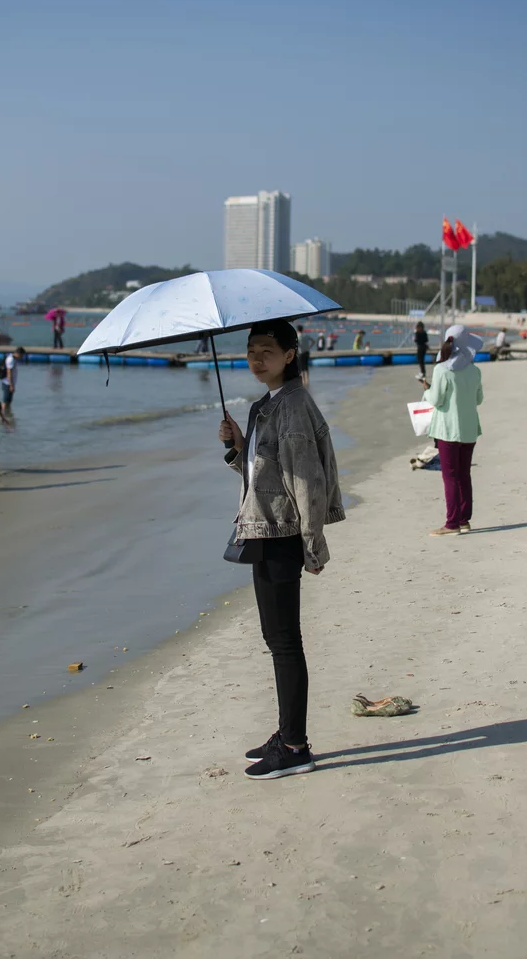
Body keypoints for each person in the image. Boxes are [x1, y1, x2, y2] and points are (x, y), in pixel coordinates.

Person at [218, 319, 345, 780]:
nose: (257, 359)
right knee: (277, 639)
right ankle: (286, 733)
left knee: (285, 642)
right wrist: (236, 450)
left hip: (282, 535)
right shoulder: (265, 406)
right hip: (263, 529)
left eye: (267, 351)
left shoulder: (291, 406)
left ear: (290, 355)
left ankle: (295, 746)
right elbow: (262, 481)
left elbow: (306, 481)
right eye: (251, 351)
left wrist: (313, 546)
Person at [421, 325, 484, 536]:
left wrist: (427, 391)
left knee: (450, 476)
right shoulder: (475, 370)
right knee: (464, 474)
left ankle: (452, 523)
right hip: (469, 429)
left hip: (448, 429)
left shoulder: (442, 370)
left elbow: (436, 399)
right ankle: (464, 519)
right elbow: (479, 399)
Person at [1, 346, 26, 418]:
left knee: (8, 402)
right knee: (5, 402)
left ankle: (7, 415)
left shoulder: (12, 358)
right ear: (18, 354)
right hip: (7, 383)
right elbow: (9, 372)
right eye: (22, 355)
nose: (21, 357)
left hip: (9, 383)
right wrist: (11, 385)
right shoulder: (11, 360)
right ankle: (2, 416)